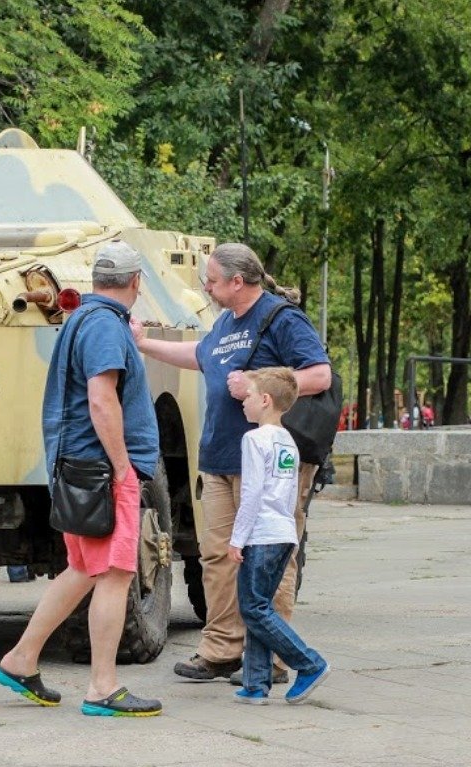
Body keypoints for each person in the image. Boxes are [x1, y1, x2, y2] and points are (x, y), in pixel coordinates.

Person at [131, 242, 330, 683]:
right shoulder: (225, 323)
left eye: (213, 280)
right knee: (217, 555)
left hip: (265, 463)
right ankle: (222, 649)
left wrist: (259, 383)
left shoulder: (281, 319)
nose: (206, 286)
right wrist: (147, 343)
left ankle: (275, 659)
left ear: (238, 282)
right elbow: (201, 356)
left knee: (269, 556)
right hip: (220, 458)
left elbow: (319, 375)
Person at [0, 240, 163, 717]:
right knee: (115, 574)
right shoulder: (106, 328)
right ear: (135, 282)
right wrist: (123, 466)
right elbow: (101, 399)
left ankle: (20, 660)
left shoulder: (84, 320)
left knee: (84, 569)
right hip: (103, 470)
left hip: (77, 468)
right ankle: (103, 687)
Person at [227, 367, 330, 705]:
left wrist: (237, 538)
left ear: (266, 400)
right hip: (283, 532)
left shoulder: (254, 439)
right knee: (261, 606)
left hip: (261, 535)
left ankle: (309, 663)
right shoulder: (288, 441)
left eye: (250, 396)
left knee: (253, 608)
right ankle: (256, 683)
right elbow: (288, 494)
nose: (244, 402)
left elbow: (252, 493)